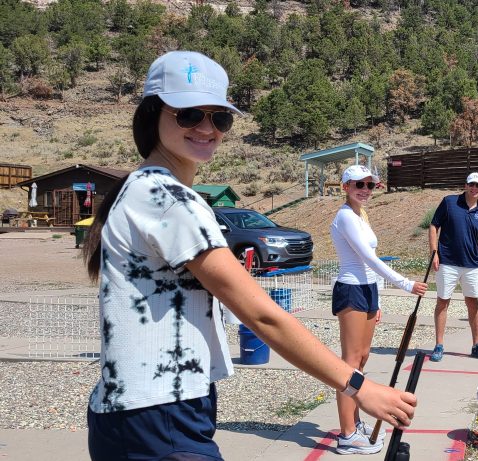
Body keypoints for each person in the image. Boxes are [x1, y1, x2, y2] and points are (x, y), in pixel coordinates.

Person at [81, 51, 415, 461]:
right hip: (157, 411)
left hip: (146, 409)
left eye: (219, 118)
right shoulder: (166, 198)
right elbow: (262, 314)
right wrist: (359, 386)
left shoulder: (144, 188)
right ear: (152, 114)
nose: (207, 128)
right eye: (188, 115)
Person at [329, 164, 428, 454]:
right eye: (359, 184)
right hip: (351, 289)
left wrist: (379, 299)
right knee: (348, 364)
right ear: (345, 186)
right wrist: (404, 283)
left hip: (368, 291)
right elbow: (369, 259)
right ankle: (347, 434)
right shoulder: (345, 216)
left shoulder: (362, 215)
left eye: (370, 185)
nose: (365, 190)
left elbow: (370, 262)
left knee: (361, 360)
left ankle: (355, 423)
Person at [427, 172, 478, 362]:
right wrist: (434, 253)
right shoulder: (449, 202)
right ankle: (439, 345)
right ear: (465, 185)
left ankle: (476, 345)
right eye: (471, 184)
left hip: (471, 265)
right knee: (443, 302)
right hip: (447, 262)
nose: (474, 188)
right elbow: (434, 226)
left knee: (473, 304)